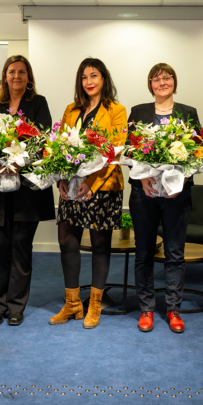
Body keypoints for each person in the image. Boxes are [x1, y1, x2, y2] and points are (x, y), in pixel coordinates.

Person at [49, 58, 127, 329]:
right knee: (66, 241)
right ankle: (72, 304)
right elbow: (62, 145)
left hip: (103, 187)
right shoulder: (72, 109)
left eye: (94, 76)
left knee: (99, 244)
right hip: (71, 186)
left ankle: (94, 305)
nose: (89, 81)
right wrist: (59, 176)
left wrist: (91, 184)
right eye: (84, 77)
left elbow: (114, 151)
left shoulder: (116, 110)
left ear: (104, 79)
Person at [0, 55, 54, 326]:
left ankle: (15, 306)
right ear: (4, 75)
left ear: (28, 77)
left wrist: (18, 164)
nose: (17, 77)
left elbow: (42, 140)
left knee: (21, 246)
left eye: (22, 72)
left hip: (27, 189)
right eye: (12, 72)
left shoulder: (39, 103)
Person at [127, 63, 199, 333]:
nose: (162, 82)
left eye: (167, 78)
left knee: (174, 254)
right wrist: (142, 177)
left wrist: (180, 180)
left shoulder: (188, 113)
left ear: (174, 82)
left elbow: (197, 153)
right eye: (156, 79)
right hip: (143, 194)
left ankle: (173, 309)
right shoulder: (139, 111)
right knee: (143, 252)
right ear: (150, 84)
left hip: (177, 196)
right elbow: (130, 151)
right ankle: (146, 309)